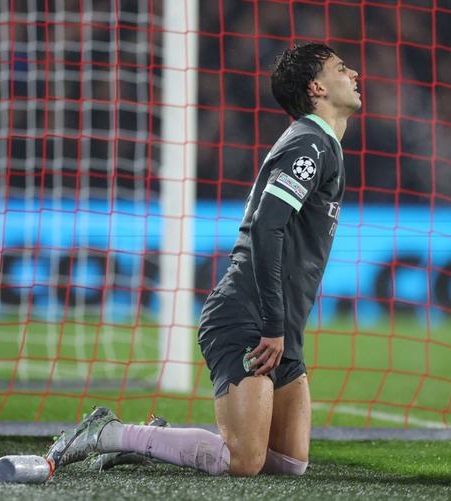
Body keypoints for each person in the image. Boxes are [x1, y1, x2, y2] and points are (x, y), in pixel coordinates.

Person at [45, 41, 361, 477]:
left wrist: (282, 325)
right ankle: (108, 433)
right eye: (341, 69)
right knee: (244, 460)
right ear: (316, 88)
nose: (354, 74)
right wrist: (272, 324)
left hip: (281, 323)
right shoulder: (308, 145)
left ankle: (153, 443)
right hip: (249, 315)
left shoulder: (323, 146)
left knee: (288, 465)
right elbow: (266, 230)